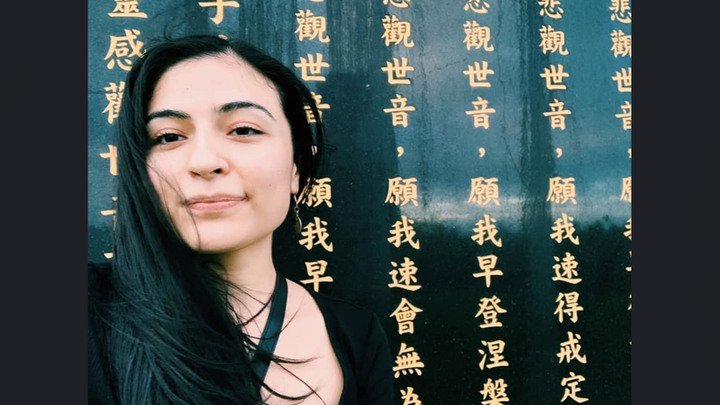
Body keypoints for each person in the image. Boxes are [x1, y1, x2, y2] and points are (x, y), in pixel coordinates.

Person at [88, 34, 394, 405]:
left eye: (244, 130)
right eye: (168, 137)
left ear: (296, 169)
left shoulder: (358, 336)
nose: (204, 161)